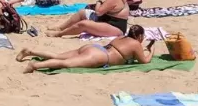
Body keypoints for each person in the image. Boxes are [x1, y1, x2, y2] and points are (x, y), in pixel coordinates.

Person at [17, 25, 154, 73]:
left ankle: (30, 52)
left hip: (94, 48)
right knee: (66, 63)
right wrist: (151, 50)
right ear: (140, 36)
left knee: (58, 56)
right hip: (100, 56)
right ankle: (35, 65)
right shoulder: (136, 44)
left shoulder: (122, 38)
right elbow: (144, 61)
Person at [47, 0, 129, 38]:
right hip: (107, 21)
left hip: (115, 28)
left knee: (83, 24)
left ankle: (59, 34)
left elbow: (98, 12)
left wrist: (99, 2)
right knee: (82, 13)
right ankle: (60, 28)